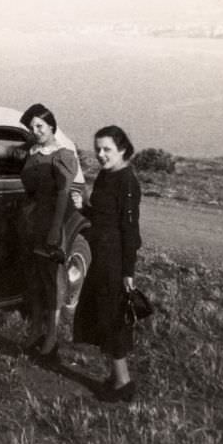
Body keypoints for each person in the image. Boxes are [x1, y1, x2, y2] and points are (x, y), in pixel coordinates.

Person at [0, 103, 80, 357]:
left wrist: (55, 229)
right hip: (29, 221)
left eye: (40, 126)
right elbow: (6, 154)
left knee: (50, 281)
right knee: (32, 277)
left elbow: (63, 194)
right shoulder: (32, 152)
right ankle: (34, 332)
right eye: (32, 127)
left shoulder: (63, 155)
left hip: (50, 222)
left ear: (52, 126)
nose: (36, 130)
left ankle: (51, 337)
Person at [73, 125, 142, 402]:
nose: (101, 154)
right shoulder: (105, 175)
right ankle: (115, 379)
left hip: (114, 260)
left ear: (123, 149)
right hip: (98, 255)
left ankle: (124, 383)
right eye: (98, 149)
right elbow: (101, 216)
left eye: (107, 149)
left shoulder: (127, 182)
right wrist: (83, 207)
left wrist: (128, 272)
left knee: (113, 319)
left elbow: (130, 231)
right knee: (104, 315)